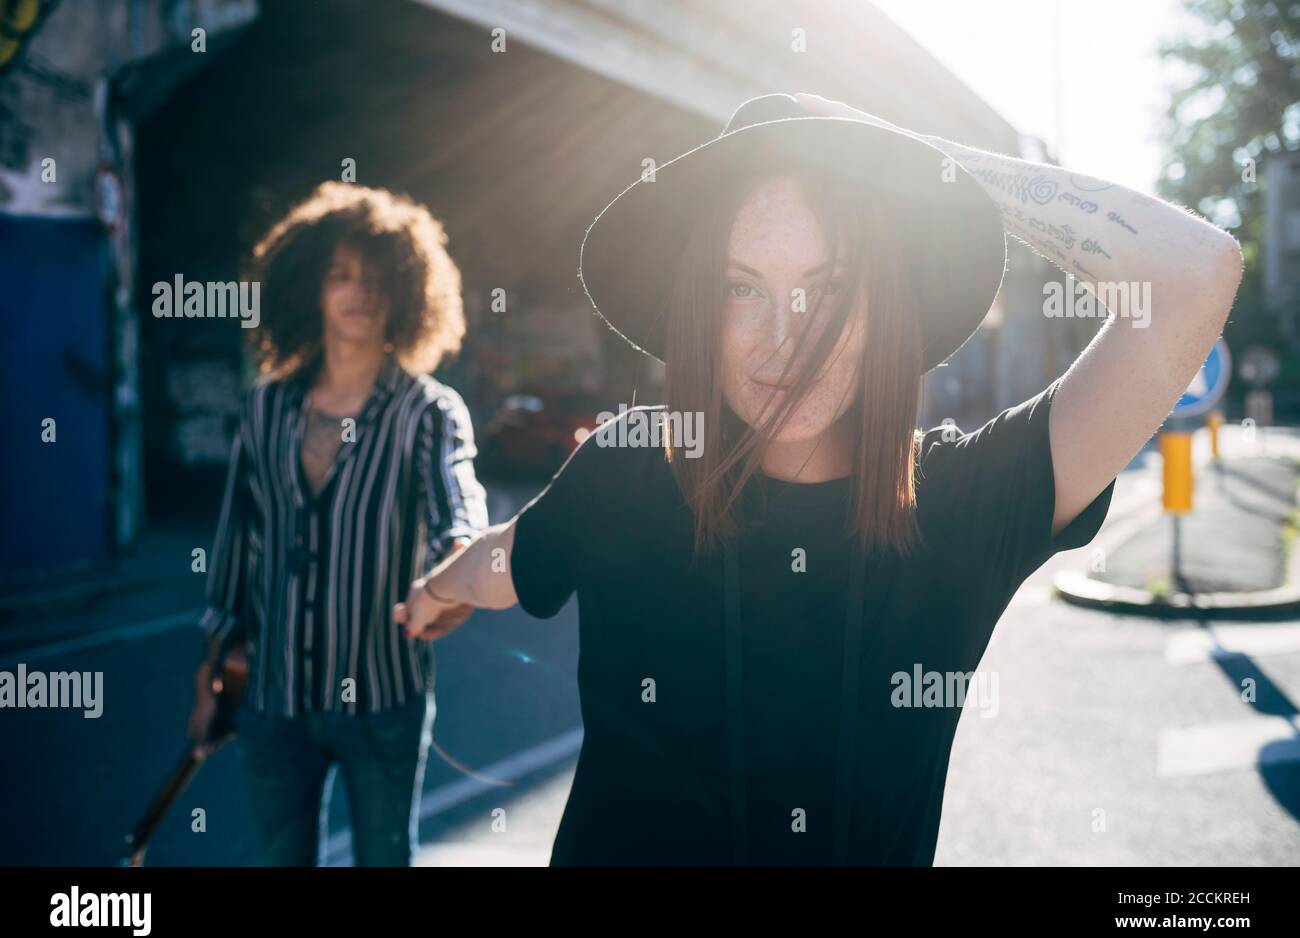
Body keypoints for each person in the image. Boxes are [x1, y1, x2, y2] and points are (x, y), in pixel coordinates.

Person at [395, 94, 1243, 865]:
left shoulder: (962, 499)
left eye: (827, 287)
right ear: (699, 308)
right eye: (740, 287)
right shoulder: (627, 465)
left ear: (885, 307)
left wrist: (900, 151)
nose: (783, 338)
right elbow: (507, 559)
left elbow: (1196, 274)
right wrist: (440, 587)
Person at [189, 181, 489, 866]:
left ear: (410, 295)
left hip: (383, 704)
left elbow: (458, 506)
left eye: (379, 278)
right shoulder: (265, 408)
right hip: (272, 702)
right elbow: (235, 550)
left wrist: (459, 569)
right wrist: (209, 680)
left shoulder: (429, 413)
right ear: (309, 290)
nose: (361, 291)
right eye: (341, 275)